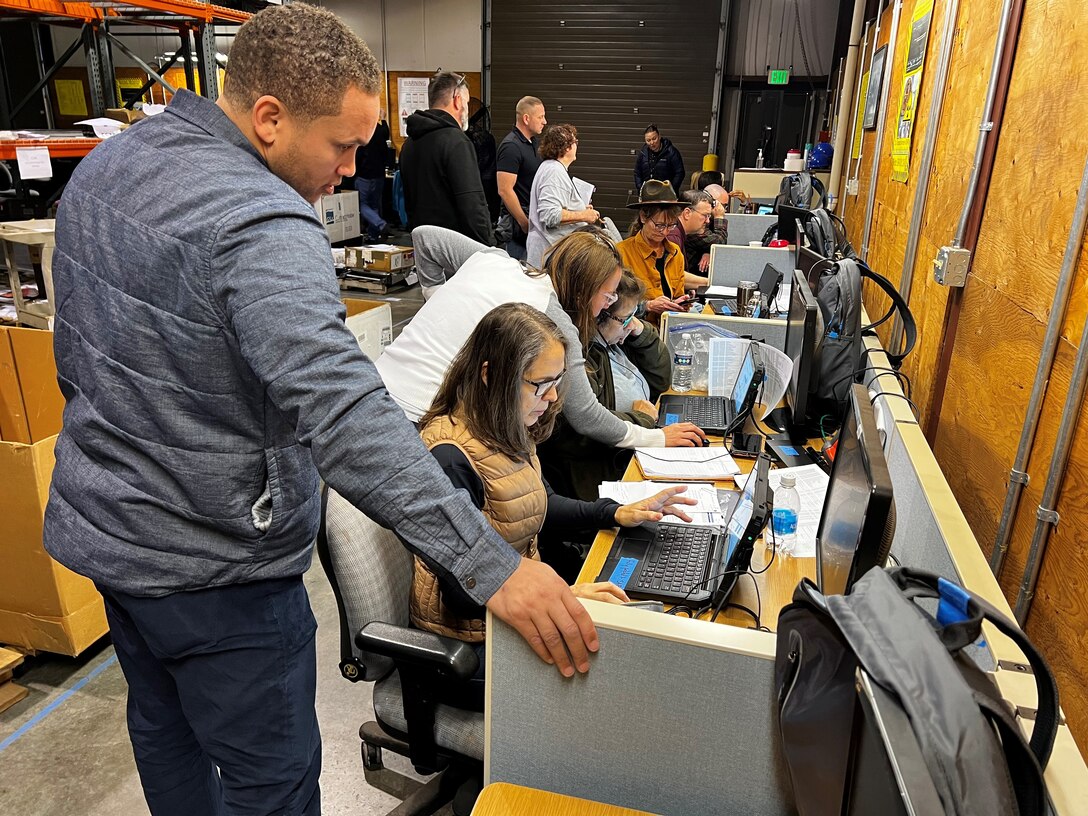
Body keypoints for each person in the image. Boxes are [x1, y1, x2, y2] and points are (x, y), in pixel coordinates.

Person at [44, 7, 597, 814]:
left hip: (113, 546)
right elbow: (345, 418)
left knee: (165, 739)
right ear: (268, 118)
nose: (352, 169)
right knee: (274, 784)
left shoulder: (105, 169)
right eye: (342, 145)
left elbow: (82, 359)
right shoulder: (262, 221)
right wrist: (494, 568)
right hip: (220, 572)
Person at [411, 302, 696, 690]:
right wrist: (561, 596)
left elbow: (540, 506)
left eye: (557, 381)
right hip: (468, 645)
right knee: (631, 673)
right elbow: (463, 589)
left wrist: (616, 514)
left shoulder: (504, 427)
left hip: (507, 617)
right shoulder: (451, 455)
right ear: (490, 376)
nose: (551, 398)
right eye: (540, 384)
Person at [376, 226, 705, 450]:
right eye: (607, 296)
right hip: (420, 421)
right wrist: (656, 437)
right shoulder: (554, 322)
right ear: (583, 292)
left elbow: (425, 237)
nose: (609, 305)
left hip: (375, 387)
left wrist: (434, 294)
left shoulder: (496, 260)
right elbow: (586, 416)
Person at [540, 271, 672, 503]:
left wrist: (640, 332)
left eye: (635, 315)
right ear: (599, 315)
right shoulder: (580, 361)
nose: (630, 325)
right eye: (625, 318)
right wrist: (642, 419)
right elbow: (584, 432)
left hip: (629, 455)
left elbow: (661, 380)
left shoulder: (616, 341)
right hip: (602, 482)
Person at [400, 71, 493, 244]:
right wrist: (489, 248)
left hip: (424, 248)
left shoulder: (409, 144)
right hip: (456, 251)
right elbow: (472, 204)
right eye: (466, 102)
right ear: (457, 100)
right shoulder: (457, 142)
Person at [526, 123, 601, 269]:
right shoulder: (554, 172)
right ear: (567, 147)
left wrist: (580, 210)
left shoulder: (551, 168)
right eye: (575, 142)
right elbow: (550, 215)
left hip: (552, 252)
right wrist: (584, 216)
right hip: (549, 254)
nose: (577, 146)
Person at [616, 180, 690, 320]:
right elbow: (613, 303)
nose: (665, 232)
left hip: (668, 324)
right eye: (659, 225)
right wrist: (647, 306)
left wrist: (681, 303)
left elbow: (678, 294)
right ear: (643, 217)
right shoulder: (622, 253)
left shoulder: (674, 253)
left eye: (671, 226)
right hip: (635, 330)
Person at [496, 95, 546, 260]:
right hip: (517, 228)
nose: (544, 121)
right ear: (526, 118)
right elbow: (504, 190)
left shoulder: (533, 143)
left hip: (532, 223)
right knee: (515, 272)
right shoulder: (511, 147)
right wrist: (524, 223)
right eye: (540, 117)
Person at [350, 107, 392, 241]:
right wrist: (384, 118)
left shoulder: (361, 132)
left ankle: (381, 224)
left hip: (364, 175)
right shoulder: (379, 129)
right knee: (374, 205)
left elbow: (358, 154)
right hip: (379, 174)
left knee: (361, 205)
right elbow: (386, 134)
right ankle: (373, 236)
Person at [665, 189, 713, 283]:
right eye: (705, 215)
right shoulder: (673, 235)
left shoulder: (679, 232)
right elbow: (674, 276)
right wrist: (710, 282)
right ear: (687, 213)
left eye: (709, 216)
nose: (707, 221)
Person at [633, 123, 685, 197]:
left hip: (667, 195)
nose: (652, 143)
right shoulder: (643, 153)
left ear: (659, 136)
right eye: (648, 140)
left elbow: (680, 172)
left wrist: (671, 189)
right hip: (648, 194)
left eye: (654, 139)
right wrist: (640, 188)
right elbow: (637, 172)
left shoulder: (671, 152)